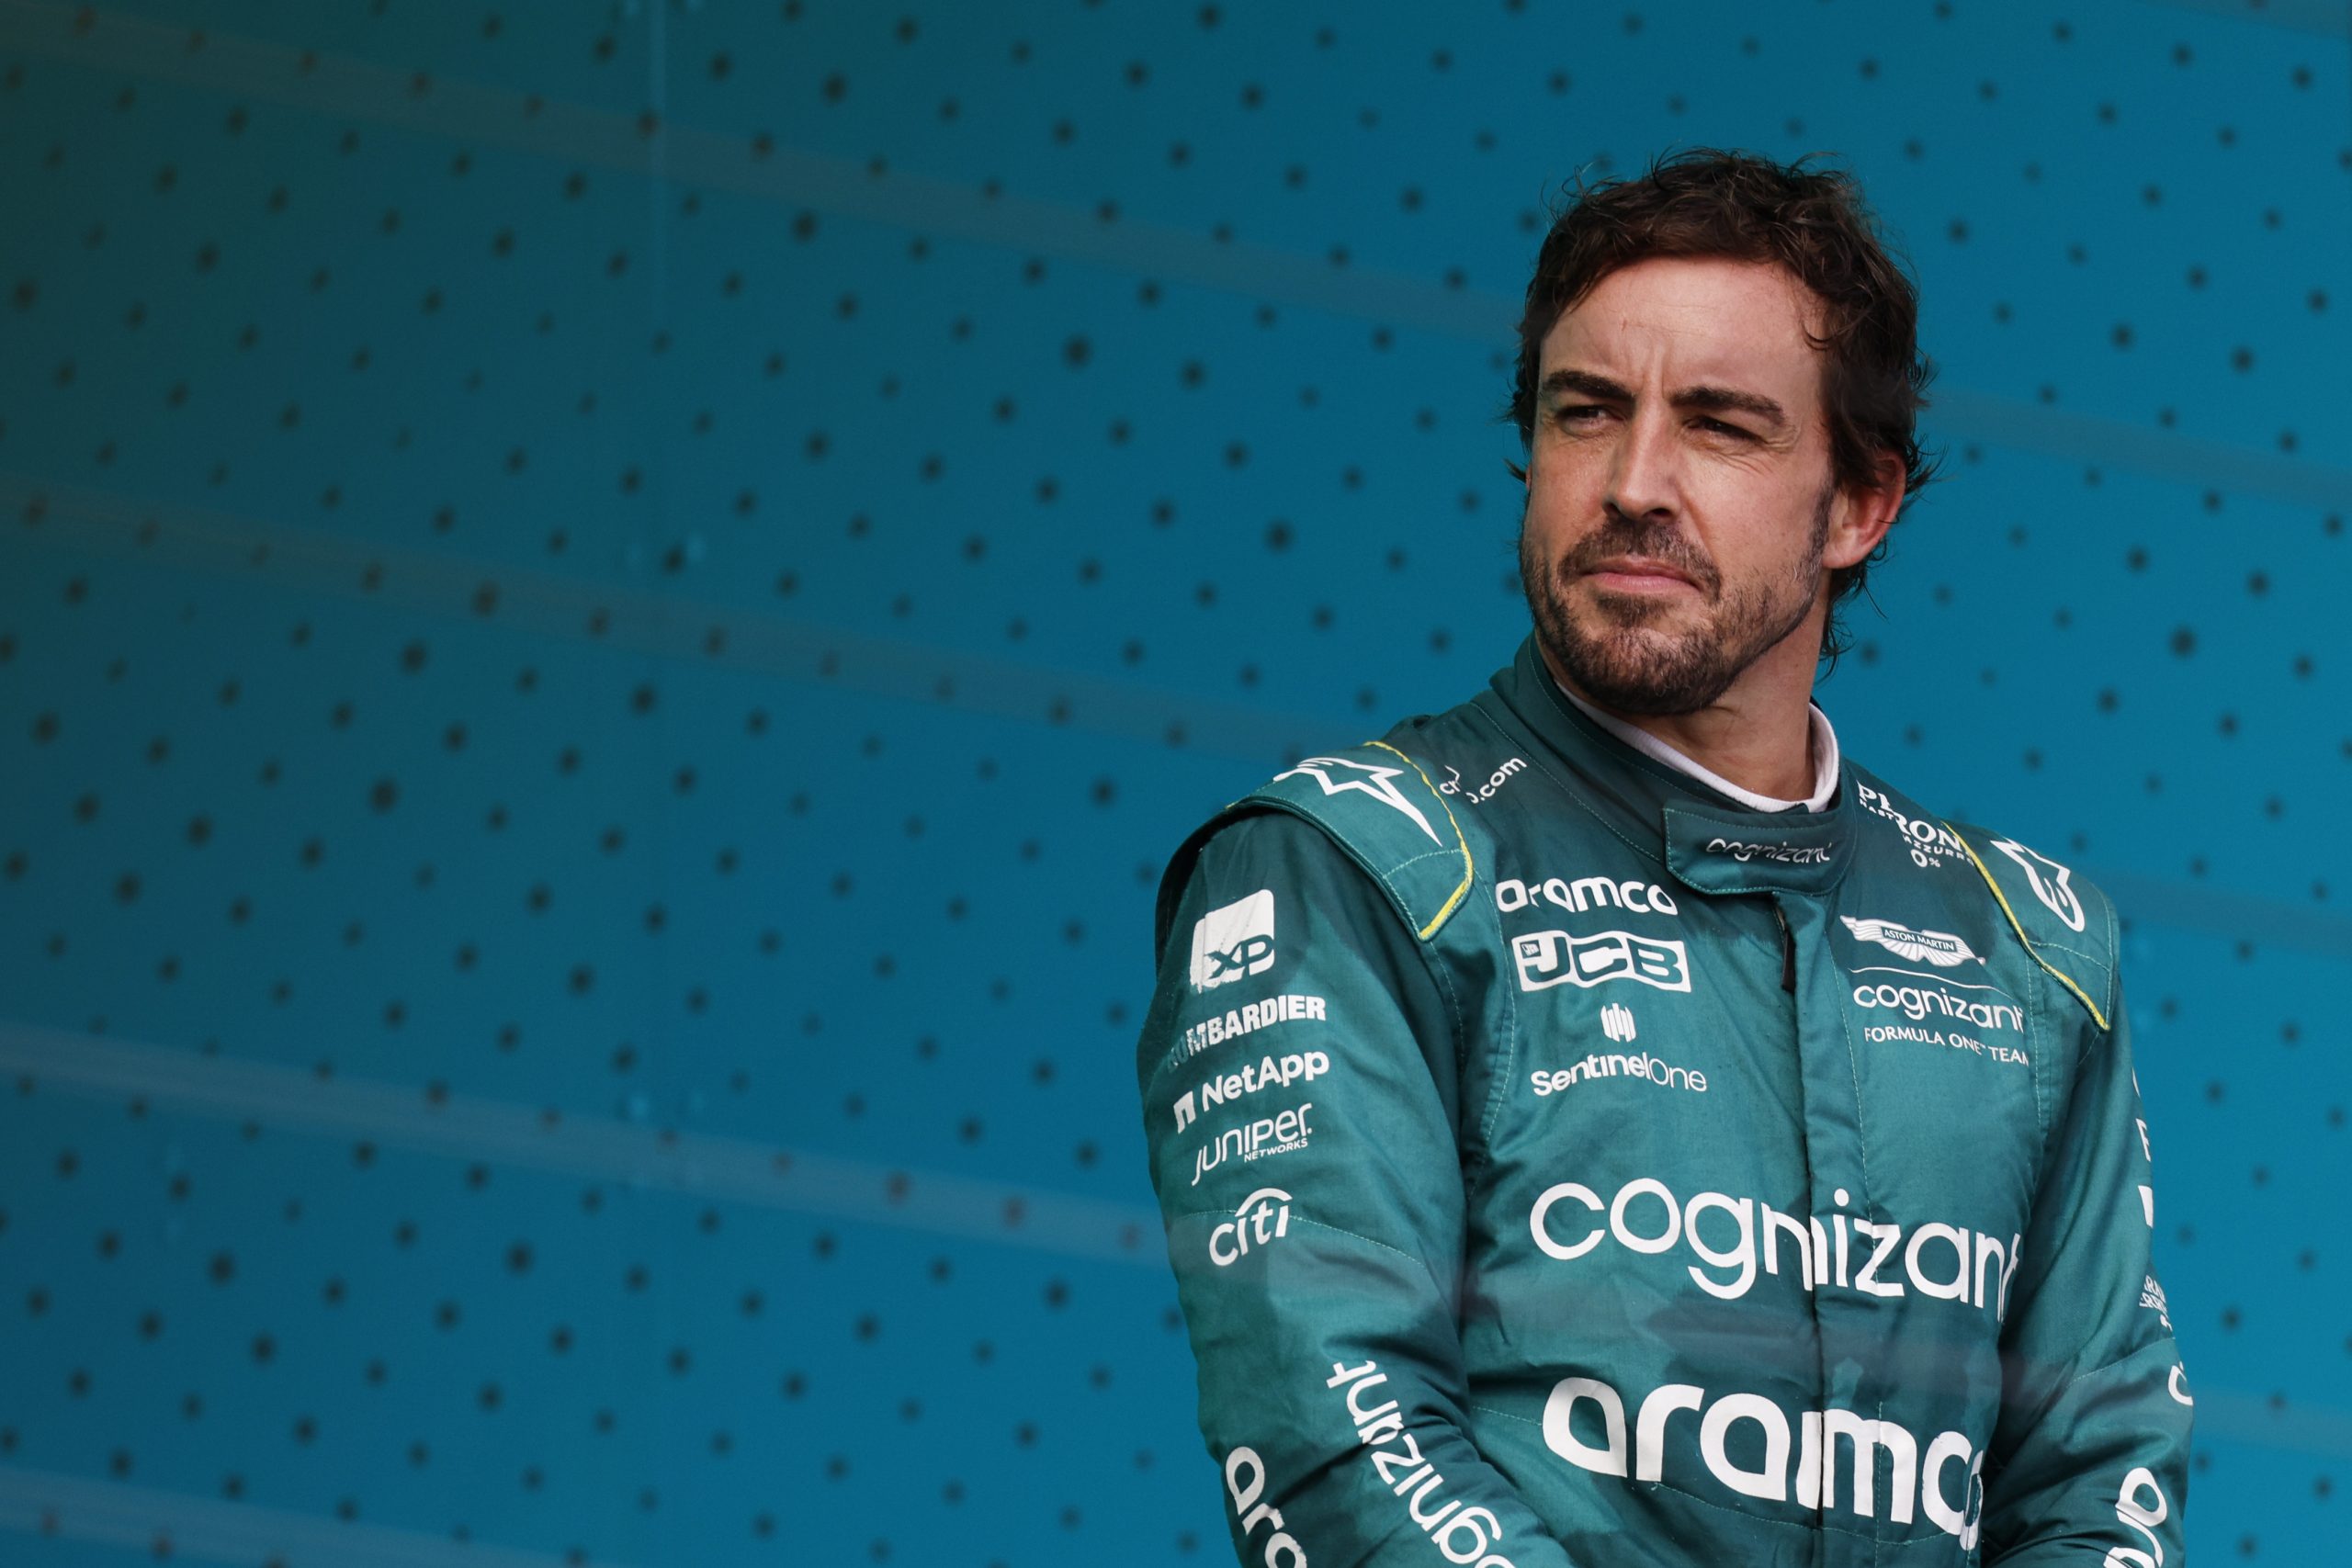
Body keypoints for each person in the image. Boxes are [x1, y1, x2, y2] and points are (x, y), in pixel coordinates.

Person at [1134, 147, 2191, 1567]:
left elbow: (2096, 1478)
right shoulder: (1352, 867)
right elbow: (1338, 1442)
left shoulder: (2033, 946)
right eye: (1586, 414)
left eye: (1720, 426)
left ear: (1860, 504)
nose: (1635, 483)